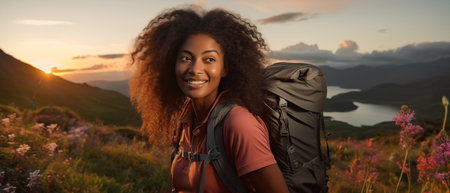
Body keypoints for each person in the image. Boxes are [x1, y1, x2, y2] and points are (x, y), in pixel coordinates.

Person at [129, 6, 289, 193]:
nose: (195, 69)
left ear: (225, 68)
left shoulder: (239, 124)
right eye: (185, 58)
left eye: (209, 59)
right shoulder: (185, 119)